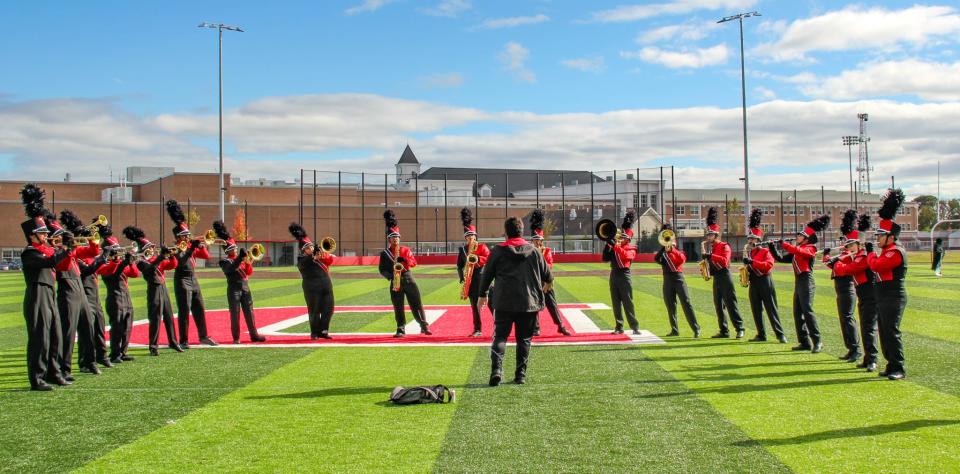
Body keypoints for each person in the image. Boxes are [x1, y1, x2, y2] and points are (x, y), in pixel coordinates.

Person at [478, 216, 553, 386]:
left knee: (500, 338)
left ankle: (496, 371)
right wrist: (547, 284)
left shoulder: (497, 251)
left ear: (506, 233)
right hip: (529, 302)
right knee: (524, 339)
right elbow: (548, 276)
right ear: (521, 231)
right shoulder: (534, 251)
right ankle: (520, 375)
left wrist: (482, 295)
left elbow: (486, 275)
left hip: (504, 301)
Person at [19, 184, 70, 391]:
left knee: (55, 335)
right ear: (32, 235)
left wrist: (65, 248)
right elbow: (50, 262)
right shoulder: (30, 252)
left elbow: (58, 262)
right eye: (42, 233)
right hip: (37, 294)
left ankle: (54, 372)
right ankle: (37, 378)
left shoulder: (46, 250)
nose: (46, 235)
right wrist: (65, 248)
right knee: (40, 338)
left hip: (49, 293)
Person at [770, 214, 830, 353]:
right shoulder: (798, 250)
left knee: (807, 311)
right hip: (799, 282)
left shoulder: (811, 248)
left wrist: (785, 244)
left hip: (807, 280)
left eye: (800, 235)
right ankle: (804, 342)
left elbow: (799, 251)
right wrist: (772, 248)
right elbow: (780, 258)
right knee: (798, 312)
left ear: (806, 239)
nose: (797, 237)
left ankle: (817, 341)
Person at [54, 210, 103, 377]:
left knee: (88, 327)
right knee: (68, 332)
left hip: (79, 291)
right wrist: (68, 247)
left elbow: (93, 252)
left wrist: (93, 240)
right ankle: (64, 369)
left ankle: (89, 362)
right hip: (67, 292)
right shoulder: (59, 252)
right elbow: (65, 265)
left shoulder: (73, 250)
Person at [868, 189, 909, 381]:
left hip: (893, 295)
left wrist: (869, 255)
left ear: (891, 236)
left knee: (891, 331)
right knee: (883, 331)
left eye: (880, 236)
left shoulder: (895, 252)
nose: (877, 239)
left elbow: (877, 265)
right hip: (884, 295)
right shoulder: (887, 250)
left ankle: (898, 367)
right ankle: (890, 363)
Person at [124, 226, 182, 356]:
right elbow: (150, 269)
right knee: (155, 318)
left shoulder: (157, 259)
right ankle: (153, 346)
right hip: (153, 289)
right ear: (144, 250)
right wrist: (161, 257)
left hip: (163, 288)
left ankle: (173, 342)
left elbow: (172, 265)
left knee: (169, 317)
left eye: (152, 247)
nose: (152, 249)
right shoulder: (140, 262)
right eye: (149, 247)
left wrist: (172, 256)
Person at [167, 200, 217, 348]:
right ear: (179, 236)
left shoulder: (189, 245)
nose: (188, 237)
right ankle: (183, 340)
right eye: (185, 235)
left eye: (188, 235)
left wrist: (200, 246)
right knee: (184, 310)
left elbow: (206, 256)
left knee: (199, 308)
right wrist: (190, 248)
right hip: (182, 279)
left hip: (193, 278)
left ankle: (204, 336)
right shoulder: (176, 247)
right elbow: (181, 261)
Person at [832, 214, 879, 371]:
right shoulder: (856, 256)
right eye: (848, 245)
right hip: (863, 295)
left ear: (859, 245)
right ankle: (867, 358)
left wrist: (837, 262)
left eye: (851, 245)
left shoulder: (863, 257)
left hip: (870, 295)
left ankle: (872, 359)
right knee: (865, 327)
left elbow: (848, 269)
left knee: (869, 328)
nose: (848, 248)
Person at [214, 220, 268, 344]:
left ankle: (254, 335)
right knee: (235, 313)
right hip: (233, 289)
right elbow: (230, 269)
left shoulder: (241, 259)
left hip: (245, 287)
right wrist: (240, 258)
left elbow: (248, 273)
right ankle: (236, 337)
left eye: (236, 248)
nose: (236, 251)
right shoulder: (225, 261)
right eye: (233, 249)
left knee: (250, 312)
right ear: (228, 250)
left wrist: (248, 262)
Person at [379, 210, 431, 338]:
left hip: (408, 278)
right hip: (395, 281)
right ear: (389, 239)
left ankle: (424, 326)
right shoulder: (385, 253)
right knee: (398, 306)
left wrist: (405, 261)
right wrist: (390, 276)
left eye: (397, 237)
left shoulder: (405, 250)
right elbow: (382, 269)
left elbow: (414, 262)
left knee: (416, 303)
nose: (395, 239)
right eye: (393, 237)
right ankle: (400, 328)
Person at [742, 208, 786, 343]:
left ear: (758, 240)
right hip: (754, 282)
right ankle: (761, 334)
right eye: (749, 239)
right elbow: (749, 267)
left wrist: (752, 262)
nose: (750, 241)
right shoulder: (749, 253)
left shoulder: (766, 251)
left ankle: (780, 334)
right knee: (756, 309)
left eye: (752, 239)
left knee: (771, 309)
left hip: (765, 282)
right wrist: (745, 271)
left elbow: (768, 266)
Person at [823, 210, 861, 362]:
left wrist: (836, 260)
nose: (844, 244)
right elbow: (829, 264)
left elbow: (840, 266)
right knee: (843, 318)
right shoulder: (844, 254)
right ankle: (850, 348)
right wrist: (827, 255)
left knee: (848, 317)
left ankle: (855, 349)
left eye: (847, 242)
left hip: (847, 287)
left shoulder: (853, 255)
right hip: (840, 288)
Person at [97, 236, 140, 364]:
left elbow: (135, 274)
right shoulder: (105, 264)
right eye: (114, 250)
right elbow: (113, 275)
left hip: (126, 297)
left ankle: (123, 352)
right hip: (115, 297)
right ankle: (115, 354)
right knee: (117, 328)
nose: (117, 252)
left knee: (127, 326)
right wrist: (122, 262)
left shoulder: (120, 262)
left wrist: (131, 262)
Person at [703, 207, 745, 339]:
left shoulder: (724, 246)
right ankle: (724, 330)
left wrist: (711, 256)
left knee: (731, 304)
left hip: (725, 276)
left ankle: (740, 328)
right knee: (718, 305)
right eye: (708, 235)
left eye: (710, 235)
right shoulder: (713, 247)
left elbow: (725, 261)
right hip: (717, 278)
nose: (708, 237)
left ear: (716, 235)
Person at [289, 222, 336, 339]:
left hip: (326, 285)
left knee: (328, 309)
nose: (311, 248)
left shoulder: (320, 255)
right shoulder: (302, 258)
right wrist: (313, 256)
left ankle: (324, 331)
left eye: (311, 246)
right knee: (314, 310)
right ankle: (314, 332)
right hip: (312, 287)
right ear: (304, 250)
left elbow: (330, 261)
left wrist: (323, 254)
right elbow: (302, 265)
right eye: (308, 247)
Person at [529, 209, 571, 336]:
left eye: (539, 239)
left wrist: (540, 256)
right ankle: (535, 328)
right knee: (534, 305)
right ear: (532, 240)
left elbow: (550, 265)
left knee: (552, 304)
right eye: (535, 239)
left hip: (546, 281)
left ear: (542, 240)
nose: (537, 241)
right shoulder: (529, 251)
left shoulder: (546, 251)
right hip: (534, 281)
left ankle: (560, 325)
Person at [654, 223, 699, 337]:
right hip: (667, 279)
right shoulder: (663, 253)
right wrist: (662, 248)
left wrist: (672, 249)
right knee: (670, 305)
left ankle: (696, 328)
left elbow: (682, 259)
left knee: (686, 303)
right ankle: (674, 329)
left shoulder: (678, 251)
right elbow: (656, 259)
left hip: (678, 278)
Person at [76, 221, 111, 369]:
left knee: (99, 327)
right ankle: (85, 361)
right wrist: (102, 258)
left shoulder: (89, 254)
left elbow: (101, 268)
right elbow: (87, 270)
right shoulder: (78, 255)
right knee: (86, 331)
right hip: (85, 293)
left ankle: (102, 356)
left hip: (95, 295)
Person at [602, 211, 640, 335]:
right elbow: (605, 258)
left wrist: (614, 246)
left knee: (628, 301)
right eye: (620, 236)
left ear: (628, 239)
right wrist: (608, 245)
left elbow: (625, 256)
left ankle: (634, 327)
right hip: (614, 274)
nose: (620, 238)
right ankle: (619, 326)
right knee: (616, 301)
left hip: (624, 275)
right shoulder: (614, 247)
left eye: (623, 237)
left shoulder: (631, 249)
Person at [456, 208, 491, 337]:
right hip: (470, 282)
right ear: (465, 238)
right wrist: (462, 278)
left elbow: (488, 259)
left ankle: (499, 329)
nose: (471, 238)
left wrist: (478, 259)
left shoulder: (482, 247)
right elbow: (459, 266)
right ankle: (477, 329)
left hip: (484, 280)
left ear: (475, 236)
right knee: (474, 307)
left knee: (492, 305)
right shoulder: (463, 250)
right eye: (468, 236)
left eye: (472, 235)